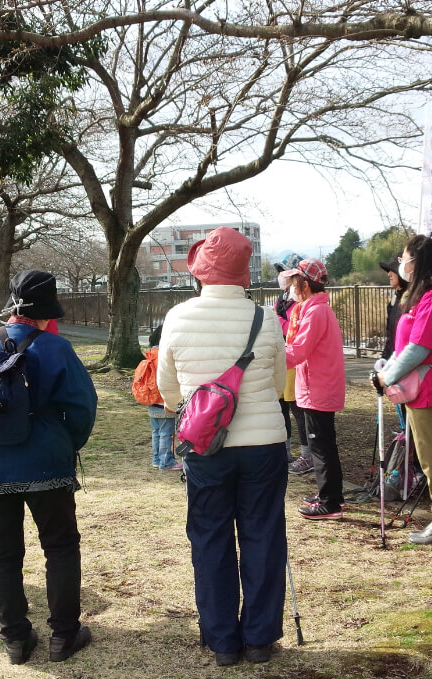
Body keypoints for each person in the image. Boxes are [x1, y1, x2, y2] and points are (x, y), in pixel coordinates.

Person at [157, 226, 288, 666]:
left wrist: (198, 410)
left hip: (205, 445)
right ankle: (259, 638)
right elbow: (280, 384)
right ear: (242, 275)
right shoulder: (266, 317)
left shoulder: (177, 317)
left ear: (200, 272)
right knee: (263, 535)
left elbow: (167, 389)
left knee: (210, 537)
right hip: (263, 443)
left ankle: (222, 641)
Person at [0, 270, 97, 665]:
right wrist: (67, 443)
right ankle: (64, 636)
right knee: (61, 547)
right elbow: (83, 409)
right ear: (47, 310)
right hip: (47, 461)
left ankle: (15, 639)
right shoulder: (57, 348)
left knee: (1, 553)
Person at [375, 234, 432, 545]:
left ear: (418, 261)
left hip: (430, 391)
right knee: (428, 457)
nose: (402, 263)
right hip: (417, 391)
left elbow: (418, 348)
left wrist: (386, 378)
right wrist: (387, 372)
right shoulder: (423, 295)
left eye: (404, 257)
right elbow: (406, 347)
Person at [280, 258, 346, 520]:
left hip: (317, 388)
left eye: (294, 282)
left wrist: (270, 353)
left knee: (322, 446)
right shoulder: (312, 309)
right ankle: (330, 496)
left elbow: (298, 351)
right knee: (323, 445)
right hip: (314, 386)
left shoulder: (315, 312)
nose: (291, 288)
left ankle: (330, 502)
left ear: (304, 285)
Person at [271, 253, 312, 475]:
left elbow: (295, 330)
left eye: (284, 271)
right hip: (282, 357)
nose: (281, 276)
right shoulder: (283, 297)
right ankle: (284, 451)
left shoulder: (300, 300)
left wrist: (275, 321)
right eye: (279, 271)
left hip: (295, 361)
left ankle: (307, 455)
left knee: (298, 409)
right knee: (281, 408)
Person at [142, 324, 179, 471]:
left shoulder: (151, 353)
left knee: (157, 431)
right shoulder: (164, 355)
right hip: (163, 399)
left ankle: (157, 459)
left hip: (150, 398)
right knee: (166, 433)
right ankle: (166, 461)